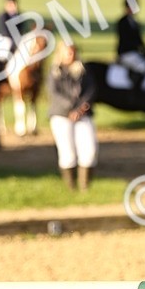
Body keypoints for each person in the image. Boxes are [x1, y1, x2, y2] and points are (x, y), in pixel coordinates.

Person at [47, 39, 98, 189]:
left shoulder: (83, 70)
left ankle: (85, 186)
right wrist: (70, 107)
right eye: (68, 51)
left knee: (89, 150)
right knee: (67, 152)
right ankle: (70, 186)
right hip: (61, 116)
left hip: (83, 115)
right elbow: (53, 93)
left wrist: (80, 108)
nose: (71, 54)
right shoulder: (54, 72)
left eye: (73, 51)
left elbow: (91, 89)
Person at [115, 0, 145, 86]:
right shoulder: (122, 22)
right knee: (143, 68)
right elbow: (126, 40)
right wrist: (138, 47)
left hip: (135, 53)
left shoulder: (135, 22)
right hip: (127, 53)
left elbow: (139, 40)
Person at [0, 0, 21, 65]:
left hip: (17, 39)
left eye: (13, 4)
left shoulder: (19, 16)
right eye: (9, 4)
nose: (11, 6)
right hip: (5, 39)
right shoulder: (3, 16)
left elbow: (20, 29)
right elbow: (4, 30)